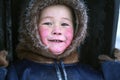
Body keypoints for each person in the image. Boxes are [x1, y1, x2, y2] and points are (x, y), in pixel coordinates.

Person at [0, 0, 120, 80]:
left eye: (64, 24)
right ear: (32, 29)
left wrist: (114, 68)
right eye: (48, 23)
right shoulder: (19, 72)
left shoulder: (88, 73)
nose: (57, 30)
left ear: (77, 31)